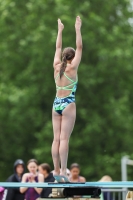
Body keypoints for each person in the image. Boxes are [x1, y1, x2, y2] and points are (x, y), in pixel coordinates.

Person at [52, 16, 82, 177]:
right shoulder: (72, 68)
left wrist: (60, 30)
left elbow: (57, 47)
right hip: (68, 103)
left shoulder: (57, 66)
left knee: (56, 139)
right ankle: (63, 171)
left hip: (56, 103)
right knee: (64, 140)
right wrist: (77, 29)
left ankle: (55, 170)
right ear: (72, 57)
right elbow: (80, 46)